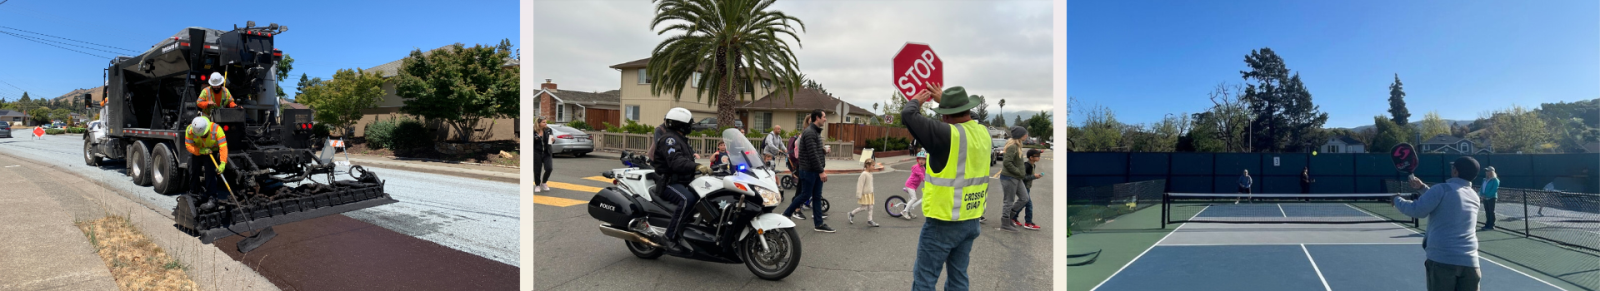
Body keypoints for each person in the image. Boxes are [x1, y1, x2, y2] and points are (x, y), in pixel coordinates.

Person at [903, 83, 991, 291]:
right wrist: (948, 102)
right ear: (968, 109)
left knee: (925, 279)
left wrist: (917, 99)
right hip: (971, 218)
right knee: (958, 277)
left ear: (945, 115)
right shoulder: (983, 132)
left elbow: (908, 114)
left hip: (944, 221)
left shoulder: (947, 134)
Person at [1394, 156, 1483, 291]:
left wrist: (1396, 200)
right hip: (1471, 263)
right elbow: (1448, 200)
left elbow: (1417, 210)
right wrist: (1422, 188)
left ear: (1455, 171)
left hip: (1442, 261)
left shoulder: (1441, 189)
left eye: (1453, 167)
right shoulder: (1474, 196)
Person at [651, 108, 713, 250]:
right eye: (689, 124)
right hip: (669, 183)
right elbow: (676, 162)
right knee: (687, 200)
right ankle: (669, 237)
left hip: (682, 181)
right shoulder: (669, 139)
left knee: (705, 194)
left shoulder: (681, 139)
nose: (691, 127)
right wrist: (697, 167)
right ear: (681, 125)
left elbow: (687, 160)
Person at [781, 109, 835, 233]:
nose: (825, 119)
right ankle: (786, 214)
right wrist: (821, 171)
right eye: (824, 117)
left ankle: (819, 224)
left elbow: (815, 151)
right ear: (817, 118)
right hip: (809, 171)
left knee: (816, 197)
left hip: (814, 170)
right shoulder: (810, 132)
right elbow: (812, 154)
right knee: (805, 195)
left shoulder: (815, 132)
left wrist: (823, 151)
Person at [184, 116, 229, 210]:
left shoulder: (217, 129)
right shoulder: (190, 130)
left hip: (211, 152)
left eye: (204, 135)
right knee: (192, 169)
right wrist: (199, 151)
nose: (203, 137)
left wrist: (223, 163)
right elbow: (189, 146)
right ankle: (194, 195)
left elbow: (223, 147)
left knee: (210, 173)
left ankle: (212, 199)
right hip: (198, 151)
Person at [998, 126, 1030, 232]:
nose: (1027, 135)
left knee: (1024, 198)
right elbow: (1007, 162)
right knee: (1009, 201)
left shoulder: (1018, 145)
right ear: (1020, 135)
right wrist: (1018, 172)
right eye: (1025, 134)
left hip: (1017, 177)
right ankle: (1005, 222)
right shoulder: (1012, 146)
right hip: (1009, 177)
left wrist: (1019, 173)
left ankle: (1010, 217)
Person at [1016, 149, 1043, 230]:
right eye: (1037, 156)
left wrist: (1035, 176)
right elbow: (1023, 177)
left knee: (1023, 204)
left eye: (1039, 156)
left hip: (1027, 187)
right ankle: (1028, 222)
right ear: (1031, 157)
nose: (1039, 157)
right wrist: (1034, 176)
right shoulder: (1026, 165)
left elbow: (1029, 176)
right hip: (1023, 187)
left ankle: (1013, 217)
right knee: (1029, 205)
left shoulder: (1033, 165)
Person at [849, 158, 880, 227]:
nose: (874, 167)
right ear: (868, 166)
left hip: (870, 193)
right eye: (873, 165)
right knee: (864, 208)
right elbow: (860, 185)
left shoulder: (870, 173)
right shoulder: (864, 174)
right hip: (865, 194)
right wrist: (859, 194)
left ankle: (870, 220)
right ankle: (851, 213)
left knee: (871, 207)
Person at [899, 150, 930, 220]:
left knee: (910, 199)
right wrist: (927, 182)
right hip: (910, 185)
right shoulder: (917, 167)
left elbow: (925, 175)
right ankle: (904, 211)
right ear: (917, 160)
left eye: (923, 159)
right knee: (914, 198)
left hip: (914, 186)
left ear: (925, 161)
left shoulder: (923, 168)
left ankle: (908, 212)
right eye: (920, 159)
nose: (921, 161)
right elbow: (922, 176)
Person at [531, 118, 554, 192]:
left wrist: (553, 140)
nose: (545, 123)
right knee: (537, 169)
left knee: (549, 168)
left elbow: (550, 142)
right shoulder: (533, 131)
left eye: (546, 122)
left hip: (547, 152)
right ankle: (537, 185)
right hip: (536, 152)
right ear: (539, 123)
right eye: (543, 122)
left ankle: (544, 182)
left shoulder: (548, 130)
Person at [1479, 166, 1499, 231]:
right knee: (1487, 211)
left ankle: (1491, 225)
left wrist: (1487, 195)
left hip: (1491, 198)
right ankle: (1487, 224)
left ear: (1491, 172)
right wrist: (1481, 195)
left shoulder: (1495, 180)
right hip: (1484, 198)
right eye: (1486, 171)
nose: (1486, 172)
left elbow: (1494, 190)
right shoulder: (1484, 180)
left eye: (1488, 171)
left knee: (1491, 211)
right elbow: (1482, 188)